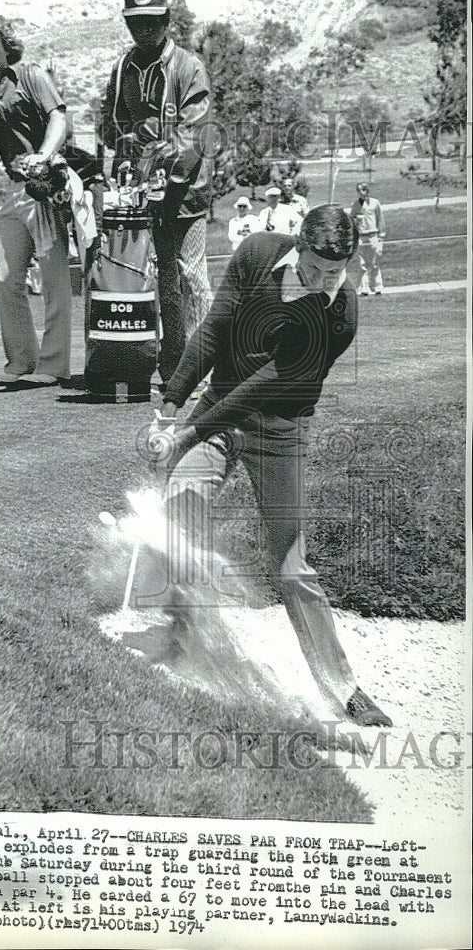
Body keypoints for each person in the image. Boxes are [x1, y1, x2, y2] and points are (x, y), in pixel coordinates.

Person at [141, 204, 392, 728]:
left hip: (281, 427)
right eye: (316, 269)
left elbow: (270, 382)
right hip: (219, 406)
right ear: (298, 247)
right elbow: (213, 330)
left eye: (336, 272)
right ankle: (182, 635)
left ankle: (343, 688)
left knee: (291, 565)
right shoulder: (257, 253)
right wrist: (169, 407)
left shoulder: (340, 312)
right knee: (182, 511)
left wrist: (186, 433)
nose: (325, 281)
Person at [100, 0, 213, 383]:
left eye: (151, 22)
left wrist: (165, 172)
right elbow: (109, 126)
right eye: (135, 23)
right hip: (139, 194)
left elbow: (196, 132)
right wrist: (122, 158)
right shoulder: (122, 68)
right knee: (162, 279)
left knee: (191, 277)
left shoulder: (187, 66)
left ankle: (201, 366)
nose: (143, 30)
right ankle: (173, 362)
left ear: (166, 21)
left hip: (184, 192)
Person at [0, 14, 73, 386]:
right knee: (7, 277)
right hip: (10, 193)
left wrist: (43, 156)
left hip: (44, 190)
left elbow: (59, 117)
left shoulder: (31, 76)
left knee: (55, 280)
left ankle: (53, 366)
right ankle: (21, 362)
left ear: (7, 46)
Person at [351, 182, 386, 295]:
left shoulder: (375, 203)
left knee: (375, 262)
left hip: (373, 235)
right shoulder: (356, 205)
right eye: (360, 190)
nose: (363, 192)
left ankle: (377, 286)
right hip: (361, 236)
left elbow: (380, 219)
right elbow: (352, 222)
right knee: (362, 264)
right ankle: (363, 287)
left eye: (365, 189)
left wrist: (381, 236)